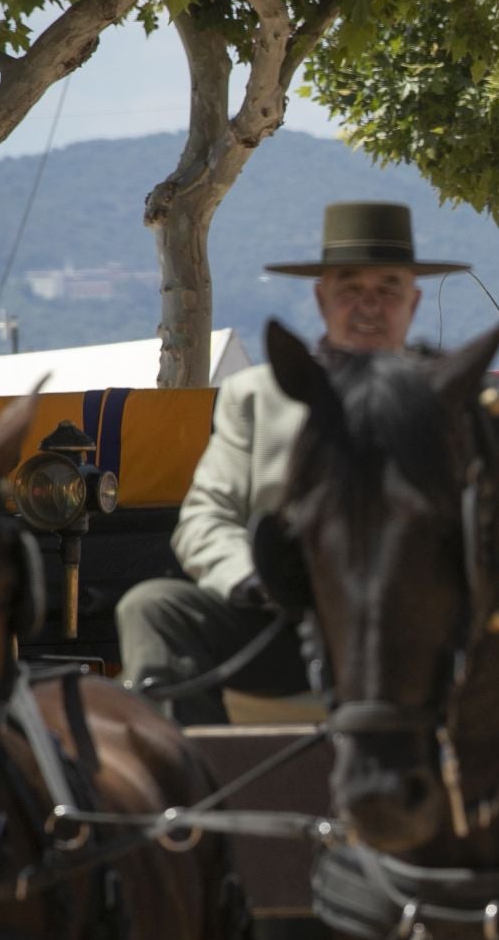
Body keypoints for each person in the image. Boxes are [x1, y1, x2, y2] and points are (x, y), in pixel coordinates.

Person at [118, 201, 469, 724]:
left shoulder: (456, 398)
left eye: (387, 289)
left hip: (421, 628)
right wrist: (259, 581)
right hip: (283, 625)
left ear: (414, 302)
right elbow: (205, 518)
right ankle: (201, 794)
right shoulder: (257, 396)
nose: (369, 305)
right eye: (350, 289)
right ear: (321, 297)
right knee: (152, 607)